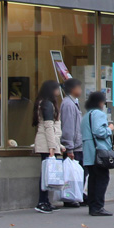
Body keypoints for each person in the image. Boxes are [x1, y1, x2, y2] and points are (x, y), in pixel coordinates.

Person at [32, 78, 64, 213]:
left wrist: (58, 145)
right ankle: (42, 202)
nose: (58, 91)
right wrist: (53, 146)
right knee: (46, 174)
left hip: (47, 142)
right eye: (57, 88)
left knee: (47, 173)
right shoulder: (47, 104)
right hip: (46, 143)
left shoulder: (44, 102)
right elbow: (48, 126)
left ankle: (45, 201)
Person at [81, 91, 114, 216]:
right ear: (100, 102)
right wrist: (109, 129)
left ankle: (93, 206)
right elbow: (99, 132)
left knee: (93, 180)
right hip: (99, 151)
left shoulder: (86, 115)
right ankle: (99, 206)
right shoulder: (99, 114)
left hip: (89, 152)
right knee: (102, 178)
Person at [59, 78, 83, 207]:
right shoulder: (68, 104)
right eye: (79, 87)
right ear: (73, 89)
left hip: (77, 144)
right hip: (73, 146)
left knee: (77, 173)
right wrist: (69, 148)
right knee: (71, 174)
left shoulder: (74, 103)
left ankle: (76, 196)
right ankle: (69, 198)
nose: (81, 90)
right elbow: (68, 127)